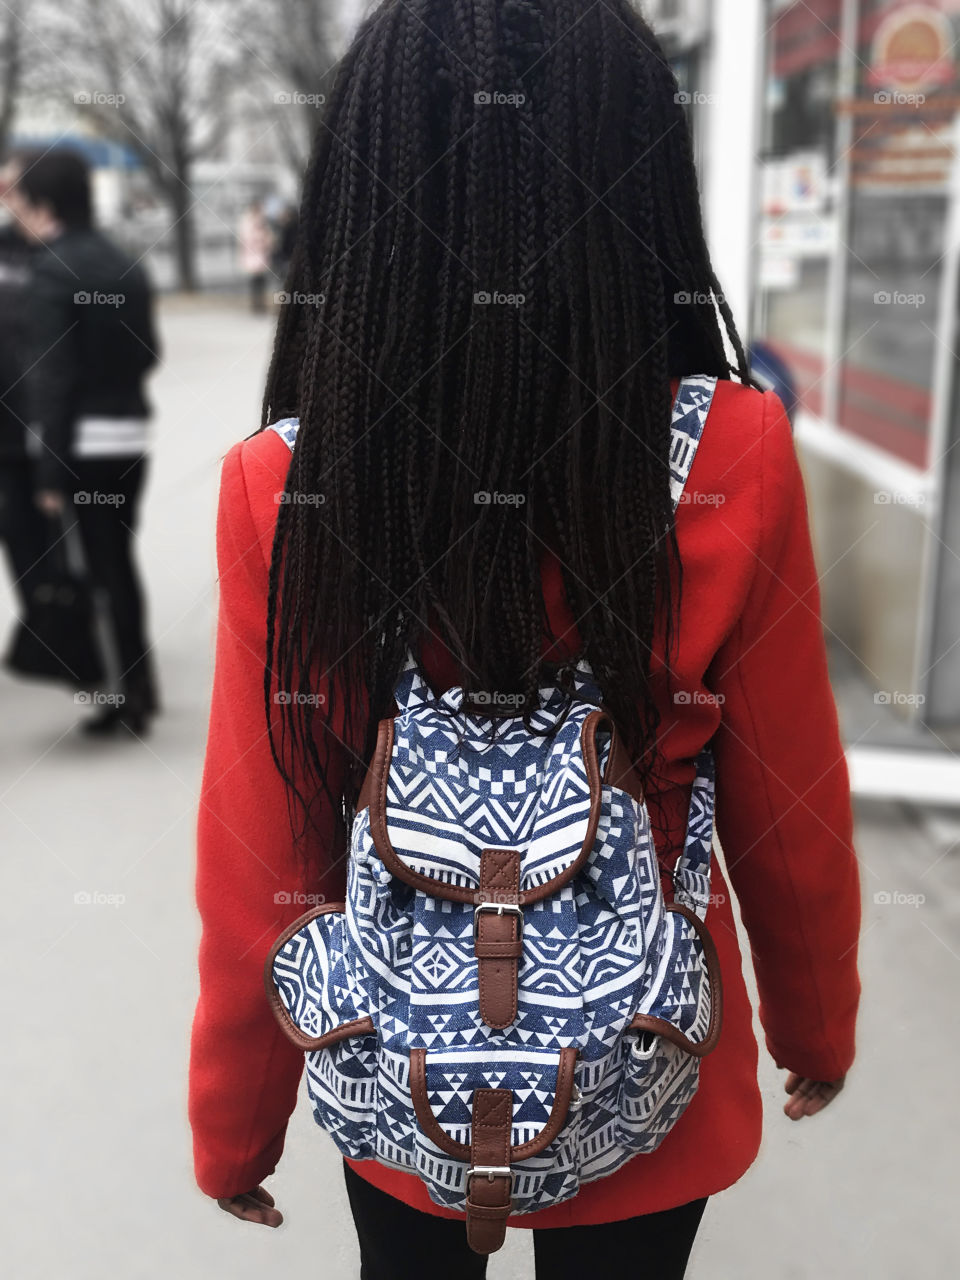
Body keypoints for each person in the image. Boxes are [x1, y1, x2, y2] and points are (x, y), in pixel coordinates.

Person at [188, 2, 862, 1277]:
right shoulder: (732, 455)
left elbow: (262, 849)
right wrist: (814, 1028)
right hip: (650, 1052)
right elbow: (791, 806)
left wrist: (237, 1123)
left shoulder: (286, 484)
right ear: (639, 179)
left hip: (407, 1058)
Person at [3, 149, 161, 734]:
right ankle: (138, 686)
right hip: (130, 436)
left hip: (82, 449)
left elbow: (53, 378)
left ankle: (126, 694)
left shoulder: (51, 270)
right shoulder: (124, 260)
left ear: (43, 204)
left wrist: (48, 472)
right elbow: (148, 352)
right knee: (119, 563)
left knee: (99, 570)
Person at [237, 198, 274, 313]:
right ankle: (256, 303)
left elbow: (268, 236)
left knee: (261, 280)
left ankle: (260, 303)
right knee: (255, 280)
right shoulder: (247, 220)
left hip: (261, 252)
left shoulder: (262, 220)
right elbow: (245, 238)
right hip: (252, 253)